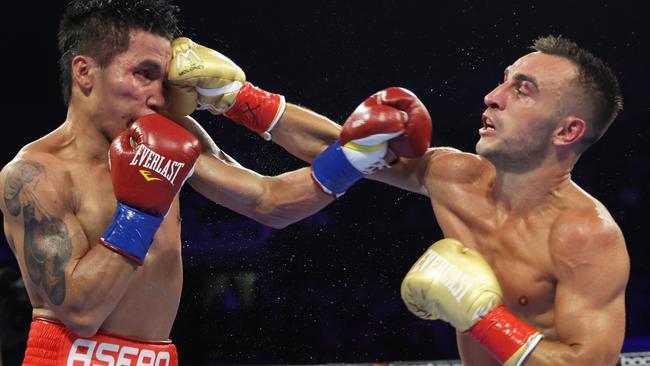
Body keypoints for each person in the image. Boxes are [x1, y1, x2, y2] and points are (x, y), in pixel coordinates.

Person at [0, 0, 430, 364]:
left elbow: (269, 200)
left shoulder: (171, 134)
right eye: (143, 74)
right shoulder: (34, 174)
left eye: (164, 79)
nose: (160, 95)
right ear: (84, 72)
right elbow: (80, 311)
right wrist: (142, 209)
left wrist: (356, 156)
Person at [368, 36, 626, 365]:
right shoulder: (458, 179)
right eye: (503, 82)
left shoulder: (585, 234)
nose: (491, 98)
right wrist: (278, 110)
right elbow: (355, 151)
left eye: (522, 90)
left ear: (566, 132)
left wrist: (484, 320)